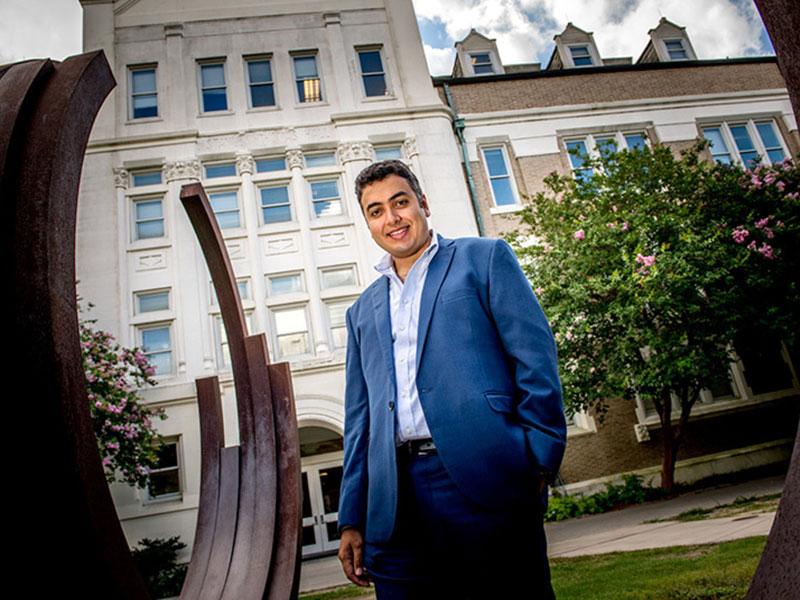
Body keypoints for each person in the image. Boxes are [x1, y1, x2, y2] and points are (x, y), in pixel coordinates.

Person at [337, 160, 566, 599]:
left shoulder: (482, 260)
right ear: (368, 222)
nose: (392, 218)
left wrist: (538, 459)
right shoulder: (361, 312)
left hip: (484, 479)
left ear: (422, 203)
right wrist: (351, 516)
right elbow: (359, 420)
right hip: (395, 501)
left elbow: (535, 360)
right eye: (376, 210)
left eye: (400, 202)